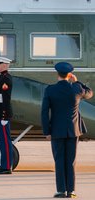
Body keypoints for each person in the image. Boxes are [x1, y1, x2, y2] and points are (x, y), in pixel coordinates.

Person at [41, 62, 93, 198]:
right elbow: (89, 93)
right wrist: (77, 82)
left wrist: (46, 131)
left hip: (56, 130)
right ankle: (71, 191)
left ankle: (61, 190)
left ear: (57, 74)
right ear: (69, 75)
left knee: (59, 160)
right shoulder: (76, 89)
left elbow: (44, 112)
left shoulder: (50, 90)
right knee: (71, 161)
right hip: (73, 130)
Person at [0, 55, 13, 175]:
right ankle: (4, 166)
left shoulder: (6, 79)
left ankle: (6, 167)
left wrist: (4, 116)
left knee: (5, 141)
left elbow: (5, 99)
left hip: (3, 114)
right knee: (2, 141)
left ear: (5, 65)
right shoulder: (1, 78)